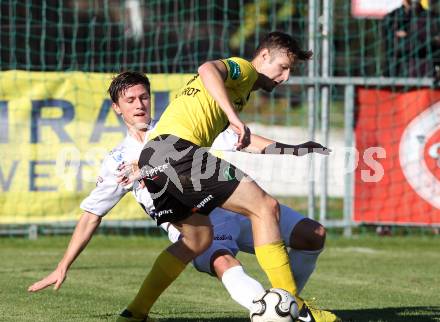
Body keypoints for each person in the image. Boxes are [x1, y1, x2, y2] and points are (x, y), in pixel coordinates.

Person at [27, 71, 337, 322]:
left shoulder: (175, 126)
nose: (139, 104)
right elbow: (92, 214)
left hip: (233, 208)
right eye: (130, 99)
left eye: (144, 97)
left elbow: (241, 139)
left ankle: (285, 305)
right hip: (195, 227)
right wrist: (63, 264)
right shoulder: (118, 160)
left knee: (314, 235)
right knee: (222, 261)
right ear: (117, 108)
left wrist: (292, 149)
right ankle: (282, 311)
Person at [131, 31, 340, 322]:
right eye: (283, 67)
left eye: (291, 71)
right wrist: (233, 115)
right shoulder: (242, 69)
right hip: (176, 152)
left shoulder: (235, 92)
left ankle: (134, 313)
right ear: (264, 56)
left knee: (196, 239)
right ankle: (297, 308)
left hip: (155, 157)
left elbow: (243, 139)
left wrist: (292, 150)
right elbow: (207, 68)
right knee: (265, 208)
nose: (286, 77)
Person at [382, 0, 440, 78]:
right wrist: (429, 42)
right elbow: (399, 47)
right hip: (400, 79)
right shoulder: (391, 19)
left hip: (428, 78)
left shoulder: (433, 18)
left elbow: (436, 48)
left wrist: (408, 37)